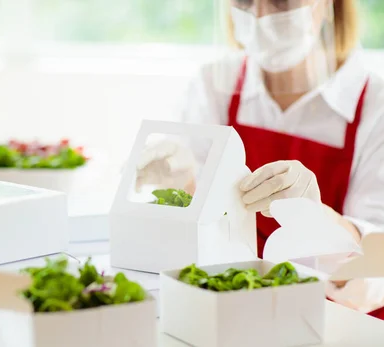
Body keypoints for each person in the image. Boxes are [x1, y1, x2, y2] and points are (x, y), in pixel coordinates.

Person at [137, 0, 384, 318]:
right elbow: (190, 237)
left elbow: (376, 274)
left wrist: (318, 222)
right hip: (230, 312)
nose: (261, 16)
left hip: (337, 322)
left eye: (282, 2)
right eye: (244, 1)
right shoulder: (213, 87)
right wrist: (181, 183)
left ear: (327, 5)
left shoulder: (376, 108)